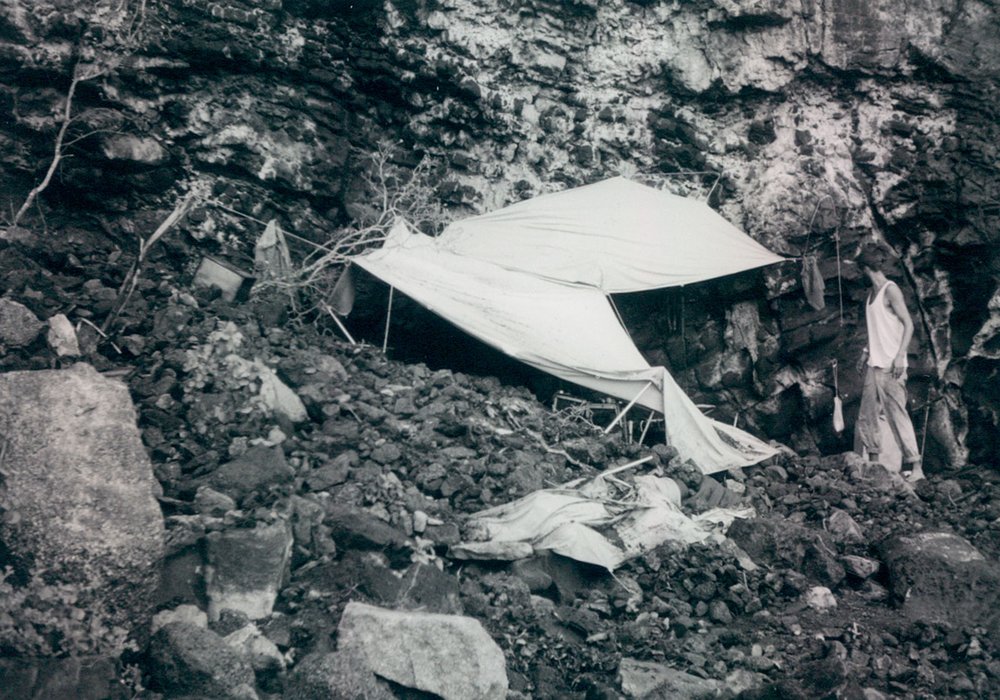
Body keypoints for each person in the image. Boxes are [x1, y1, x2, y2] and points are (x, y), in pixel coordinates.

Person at [854, 242, 924, 482]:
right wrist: (865, 352)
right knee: (867, 414)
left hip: (892, 364)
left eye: (860, 269)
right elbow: (877, 329)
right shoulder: (870, 295)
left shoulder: (890, 289)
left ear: (866, 268)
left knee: (897, 414)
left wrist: (899, 356)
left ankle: (916, 468)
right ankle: (873, 464)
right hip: (875, 363)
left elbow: (908, 323)